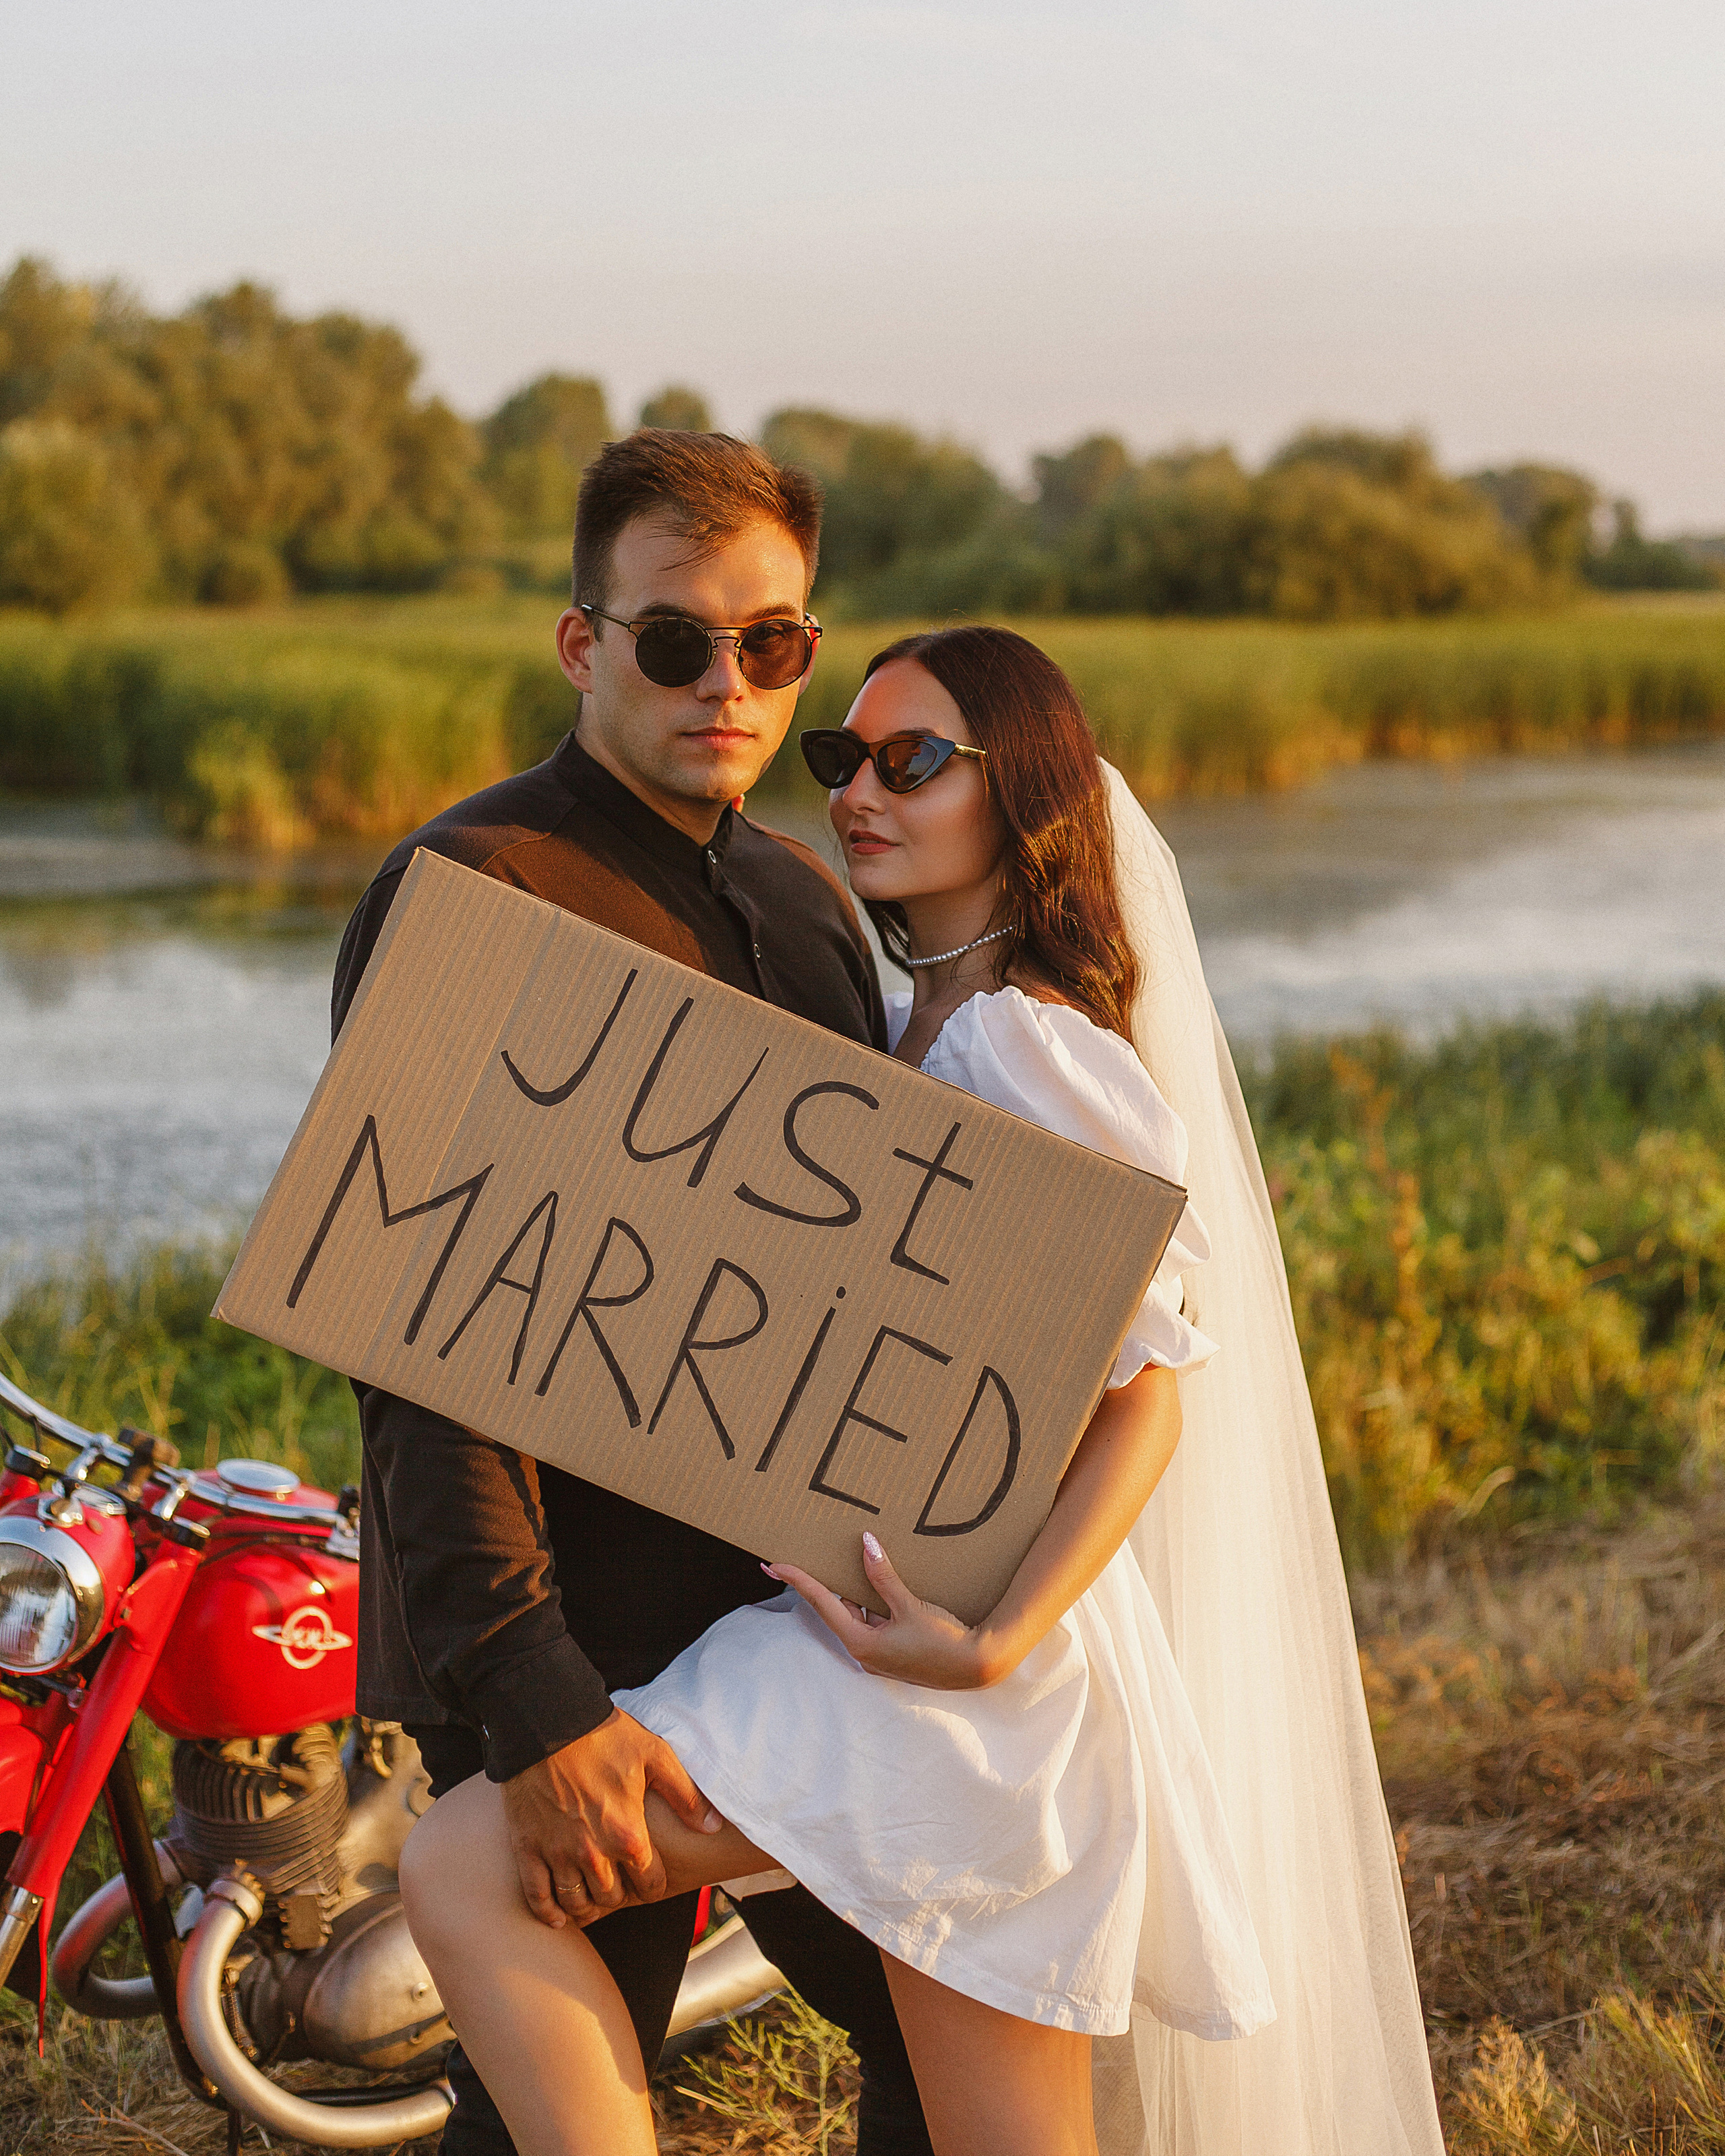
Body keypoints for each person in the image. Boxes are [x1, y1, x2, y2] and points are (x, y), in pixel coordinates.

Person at [402, 627, 1448, 2155]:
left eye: (914, 761)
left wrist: (991, 1643)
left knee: (467, 1863)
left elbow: (1144, 1387)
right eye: (843, 759)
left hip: (965, 1682)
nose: (859, 791)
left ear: (1017, 792)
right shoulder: (930, 1026)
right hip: (911, 1658)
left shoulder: (1024, 1042)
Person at [334, 429, 937, 2156]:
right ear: (581, 642)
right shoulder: (473, 889)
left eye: (772, 645)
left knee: (937, 2032)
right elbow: (413, 1337)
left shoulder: (809, 904)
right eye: (674, 638)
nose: (724, 682)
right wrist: (536, 1700)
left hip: (782, 1648)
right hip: (572, 1641)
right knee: (563, 2111)